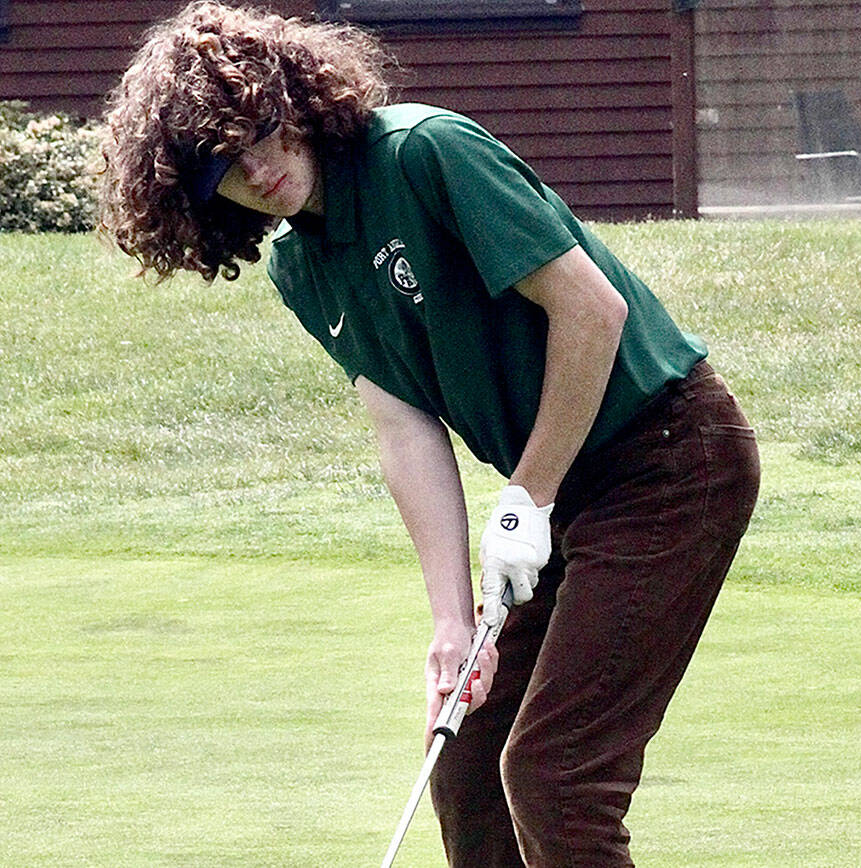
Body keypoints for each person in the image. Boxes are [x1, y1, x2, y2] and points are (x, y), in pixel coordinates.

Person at [98, 3, 760, 866]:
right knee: (467, 768)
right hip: (563, 492)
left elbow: (592, 311)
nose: (259, 169)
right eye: (225, 166)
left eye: (262, 131)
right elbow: (404, 430)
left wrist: (530, 495)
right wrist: (450, 622)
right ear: (197, 198)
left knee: (556, 774)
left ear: (295, 99)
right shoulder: (303, 267)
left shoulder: (425, 152)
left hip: (670, 458)